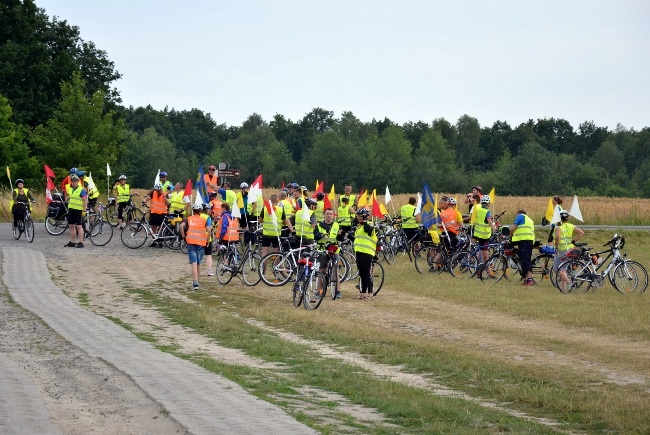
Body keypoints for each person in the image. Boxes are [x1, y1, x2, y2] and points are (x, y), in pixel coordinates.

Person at [180, 203, 211, 290]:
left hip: (191, 242)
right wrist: (207, 240)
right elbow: (209, 230)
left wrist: (183, 237)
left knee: (193, 263)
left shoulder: (189, 219)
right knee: (198, 263)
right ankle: (197, 280)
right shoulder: (203, 220)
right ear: (201, 211)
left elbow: (181, 227)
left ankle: (195, 282)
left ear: (193, 211)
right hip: (201, 243)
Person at [315, 208, 343, 299]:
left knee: (336, 271)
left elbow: (340, 238)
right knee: (321, 271)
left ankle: (338, 292)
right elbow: (315, 236)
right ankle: (319, 292)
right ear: (324, 215)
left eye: (331, 214)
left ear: (333, 215)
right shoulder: (319, 225)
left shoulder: (336, 225)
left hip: (334, 250)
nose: (329, 215)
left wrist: (341, 236)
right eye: (327, 214)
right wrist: (320, 235)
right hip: (323, 250)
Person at [554, 210, 584, 291]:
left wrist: (556, 246)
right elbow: (581, 233)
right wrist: (573, 241)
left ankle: (570, 283)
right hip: (570, 250)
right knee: (564, 269)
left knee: (557, 269)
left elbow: (557, 237)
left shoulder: (558, 227)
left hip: (561, 250)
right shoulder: (570, 226)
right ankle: (564, 288)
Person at [259, 194, 294, 259]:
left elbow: (260, 220)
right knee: (277, 253)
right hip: (276, 234)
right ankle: (276, 267)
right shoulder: (280, 209)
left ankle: (262, 268)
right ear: (278, 201)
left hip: (266, 234)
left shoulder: (265, 208)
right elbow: (284, 222)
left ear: (270, 200)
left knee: (264, 253)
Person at [354, 208, 377, 300]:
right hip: (359, 251)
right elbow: (357, 239)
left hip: (367, 252)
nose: (358, 217)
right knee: (362, 273)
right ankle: (363, 293)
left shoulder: (370, 224)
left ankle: (370, 293)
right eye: (358, 215)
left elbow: (368, 230)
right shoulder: (359, 226)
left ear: (365, 216)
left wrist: (365, 221)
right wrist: (345, 234)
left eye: (360, 215)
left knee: (366, 273)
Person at [510, 209, 536, 286]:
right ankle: (526, 278)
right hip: (527, 240)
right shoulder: (529, 219)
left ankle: (529, 280)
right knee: (523, 258)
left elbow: (512, 228)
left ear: (518, 214)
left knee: (526, 260)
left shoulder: (520, 216)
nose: (515, 217)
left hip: (525, 240)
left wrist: (510, 237)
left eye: (516, 215)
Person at [473, 195, 496, 274]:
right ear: (488, 203)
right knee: (485, 255)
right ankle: (489, 272)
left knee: (481, 252)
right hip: (484, 235)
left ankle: (478, 271)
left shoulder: (478, 209)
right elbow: (489, 221)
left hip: (477, 233)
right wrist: (494, 229)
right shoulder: (487, 212)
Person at [65, 174, 88, 248]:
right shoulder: (70, 189)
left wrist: (84, 210)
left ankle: (81, 242)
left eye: (75, 181)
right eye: (72, 181)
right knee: (71, 226)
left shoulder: (82, 190)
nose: (74, 183)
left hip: (78, 210)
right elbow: (70, 197)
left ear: (78, 182)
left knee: (79, 226)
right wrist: (67, 198)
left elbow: (85, 201)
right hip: (71, 209)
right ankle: (72, 242)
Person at [200, 203, 215, 276]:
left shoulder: (196, 216)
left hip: (197, 238)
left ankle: (197, 269)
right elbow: (209, 228)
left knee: (198, 254)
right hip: (206, 237)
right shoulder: (207, 217)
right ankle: (209, 270)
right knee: (208, 255)